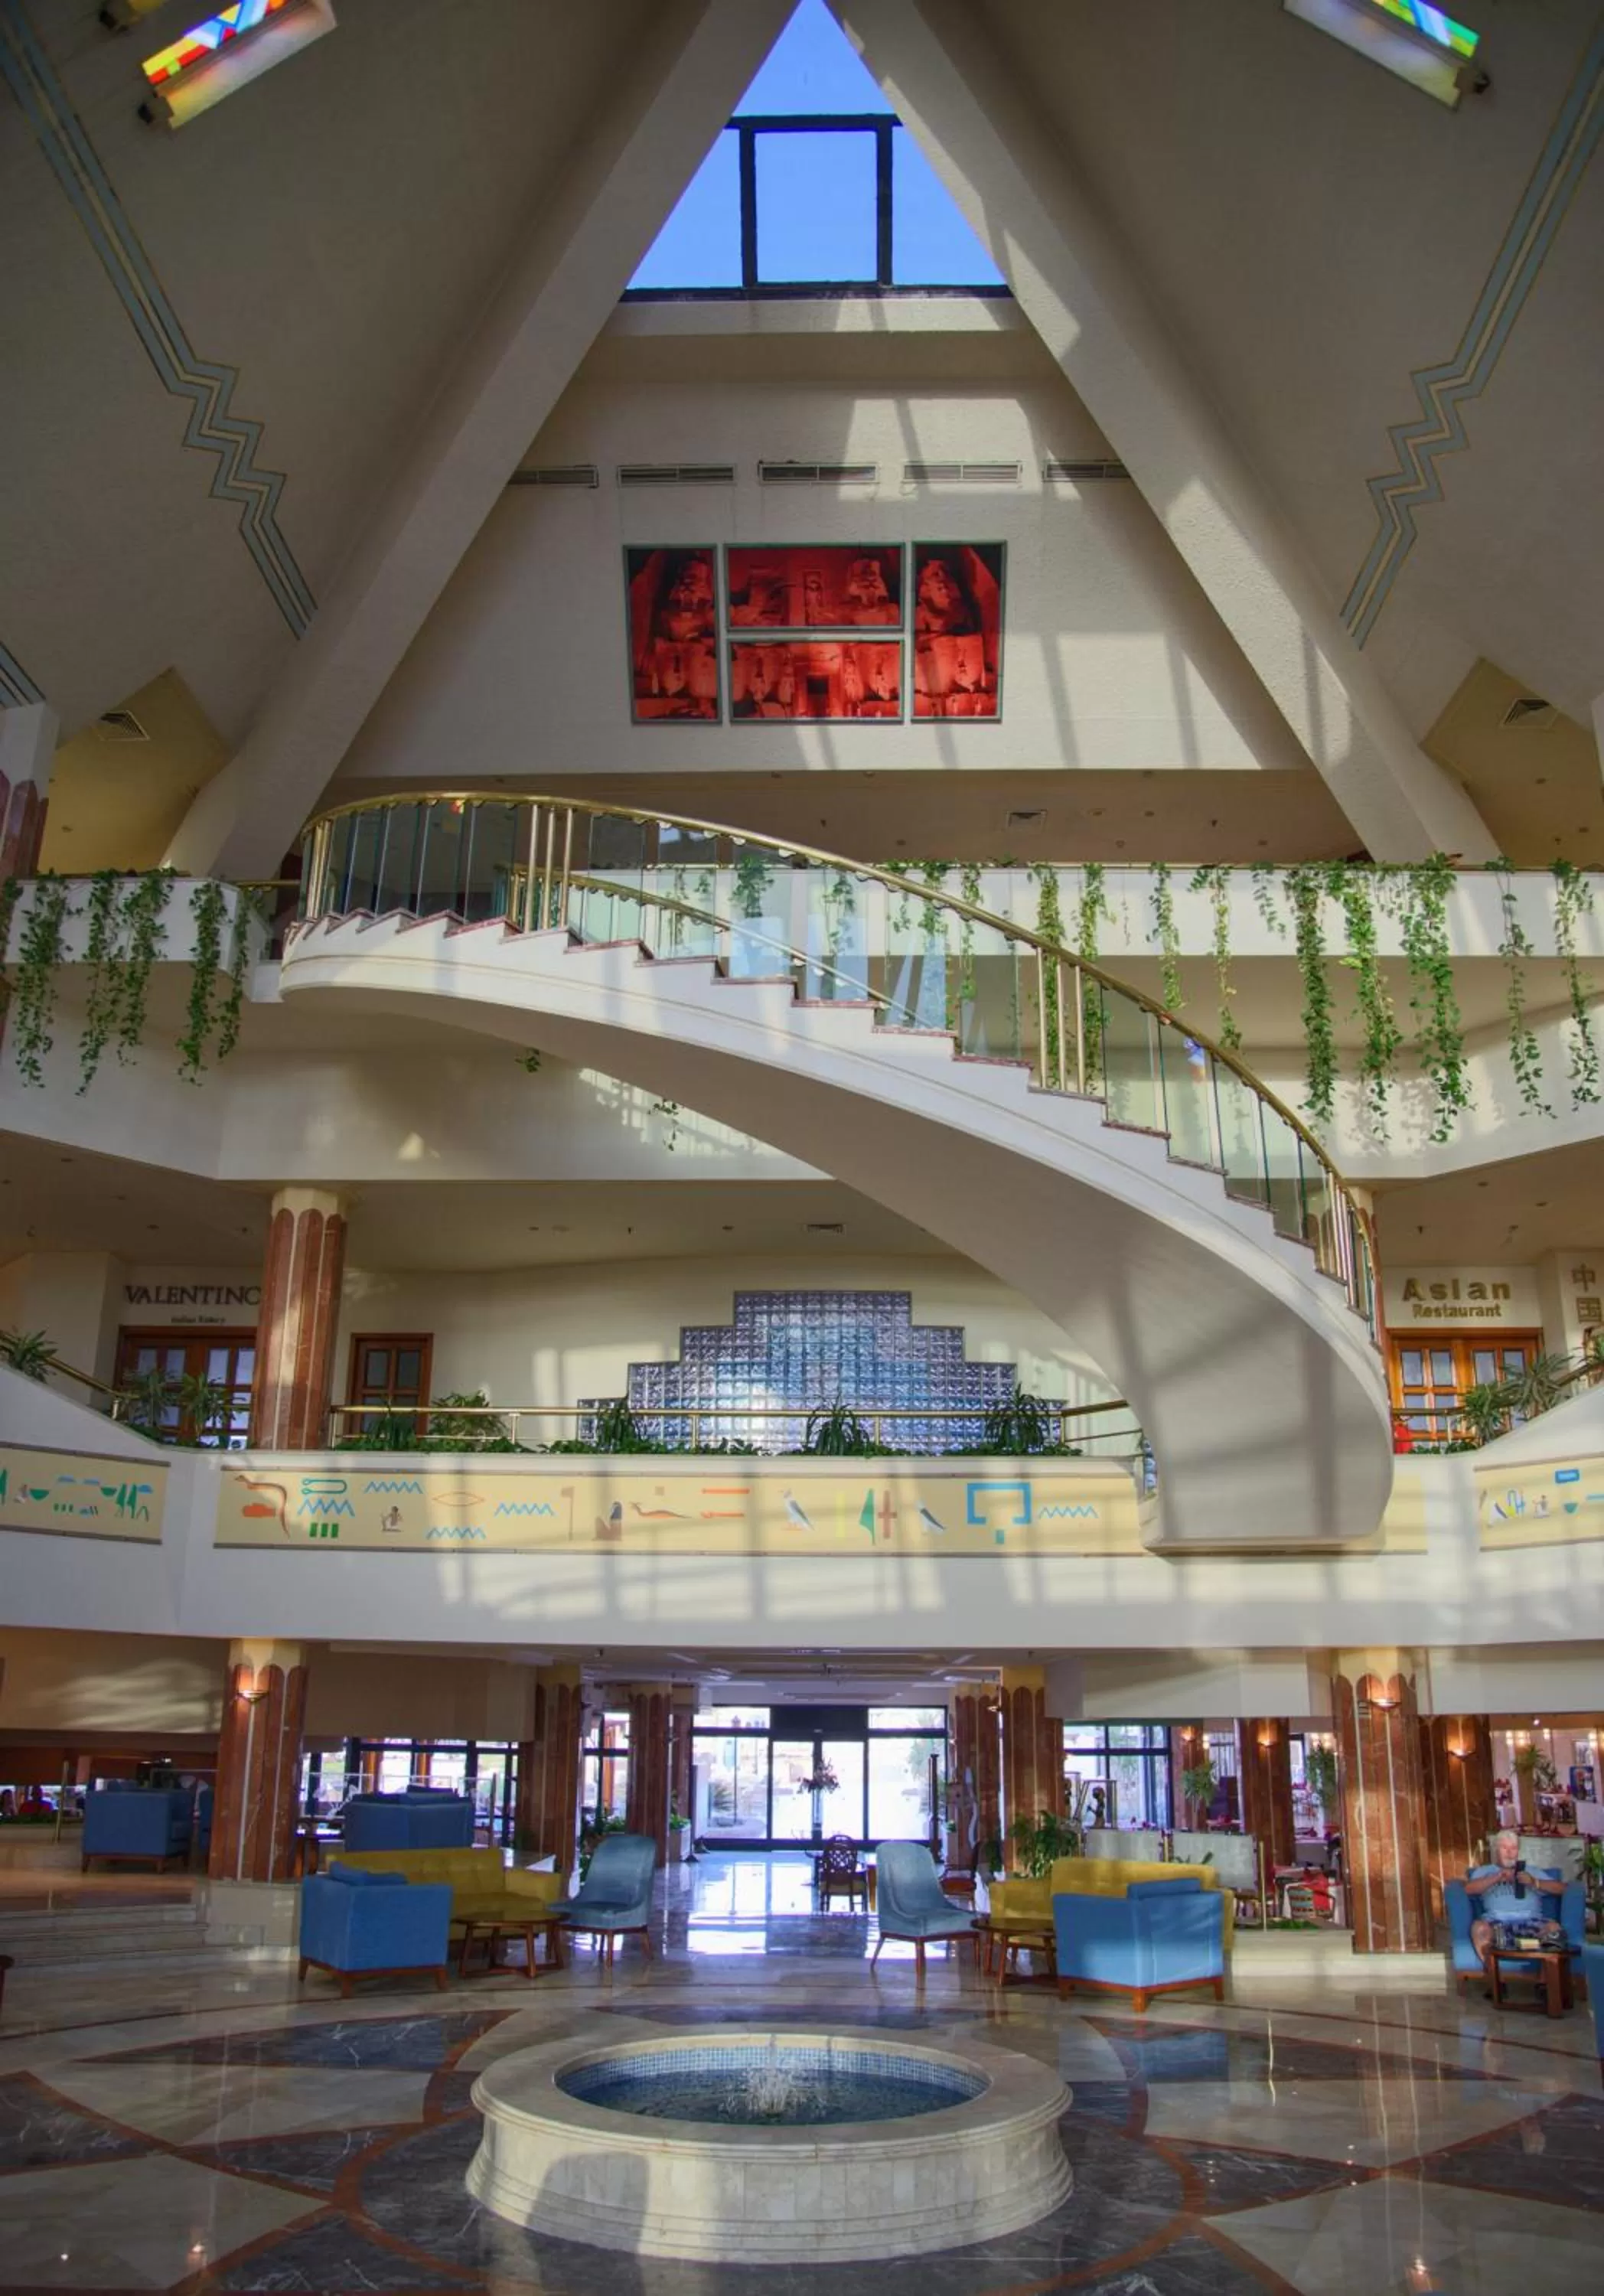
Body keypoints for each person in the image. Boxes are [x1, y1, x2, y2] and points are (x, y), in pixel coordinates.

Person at [1465, 1828, 1544, 1968]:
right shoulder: (1484, 1871)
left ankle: (1544, 1984)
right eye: (1504, 1847)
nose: (1509, 1852)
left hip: (1533, 1921)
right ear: (1496, 1850)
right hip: (1497, 1923)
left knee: (1554, 1930)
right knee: (1479, 1929)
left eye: (1513, 1848)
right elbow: (1468, 1889)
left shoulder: (1531, 1871)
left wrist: (1534, 1882)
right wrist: (1497, 1877)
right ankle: (1496, 1983)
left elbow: (1562, 1888)